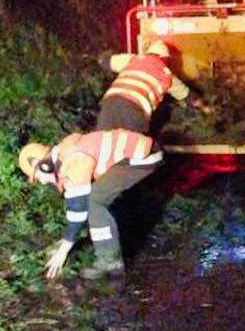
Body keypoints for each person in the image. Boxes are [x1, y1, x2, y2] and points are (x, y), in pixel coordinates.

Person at [18, 128, 162, 282]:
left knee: (95, 202)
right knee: (97, 198)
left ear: (44, 165)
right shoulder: (63, 157)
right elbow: (72, 201)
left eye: (39, 177)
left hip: (143, 157)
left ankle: (111, 263)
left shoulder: (72, 161)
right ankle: (111, 246)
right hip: (139, 153)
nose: (43, 182)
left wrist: (63, 250)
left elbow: (79, 210)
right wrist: (66, 239)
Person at [97, 40, 207, 133]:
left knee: (104, 145)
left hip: (109, 103)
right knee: (138, 150)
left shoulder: (132, 59)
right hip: (134, 108)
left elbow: (105, 62)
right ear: (165, 59)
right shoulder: (166, 74)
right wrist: (206, 109)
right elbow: (189, 96)